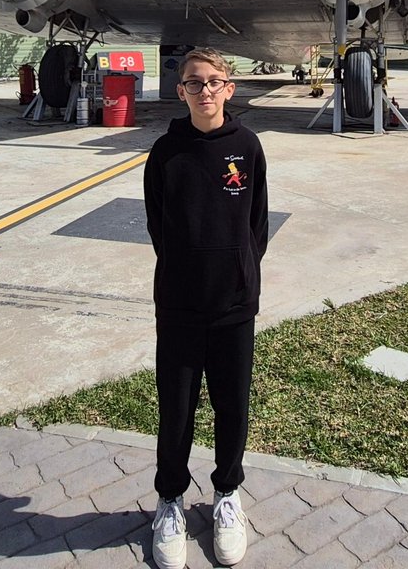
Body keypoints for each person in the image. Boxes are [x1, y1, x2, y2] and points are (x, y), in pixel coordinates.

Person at [144, 48, 269, 569]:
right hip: (178, 307)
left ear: (230, 88)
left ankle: (226, 495)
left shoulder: (248, 146)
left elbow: (256, 224)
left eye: (215, 82)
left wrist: (240, 273)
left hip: (234, 307)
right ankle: (170, 501)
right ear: (181, 91)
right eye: (195, 83)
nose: (205, 91)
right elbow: (158, 227)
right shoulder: (164, 153)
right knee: (175, 411)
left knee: (232, 408)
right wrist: (182, 274)